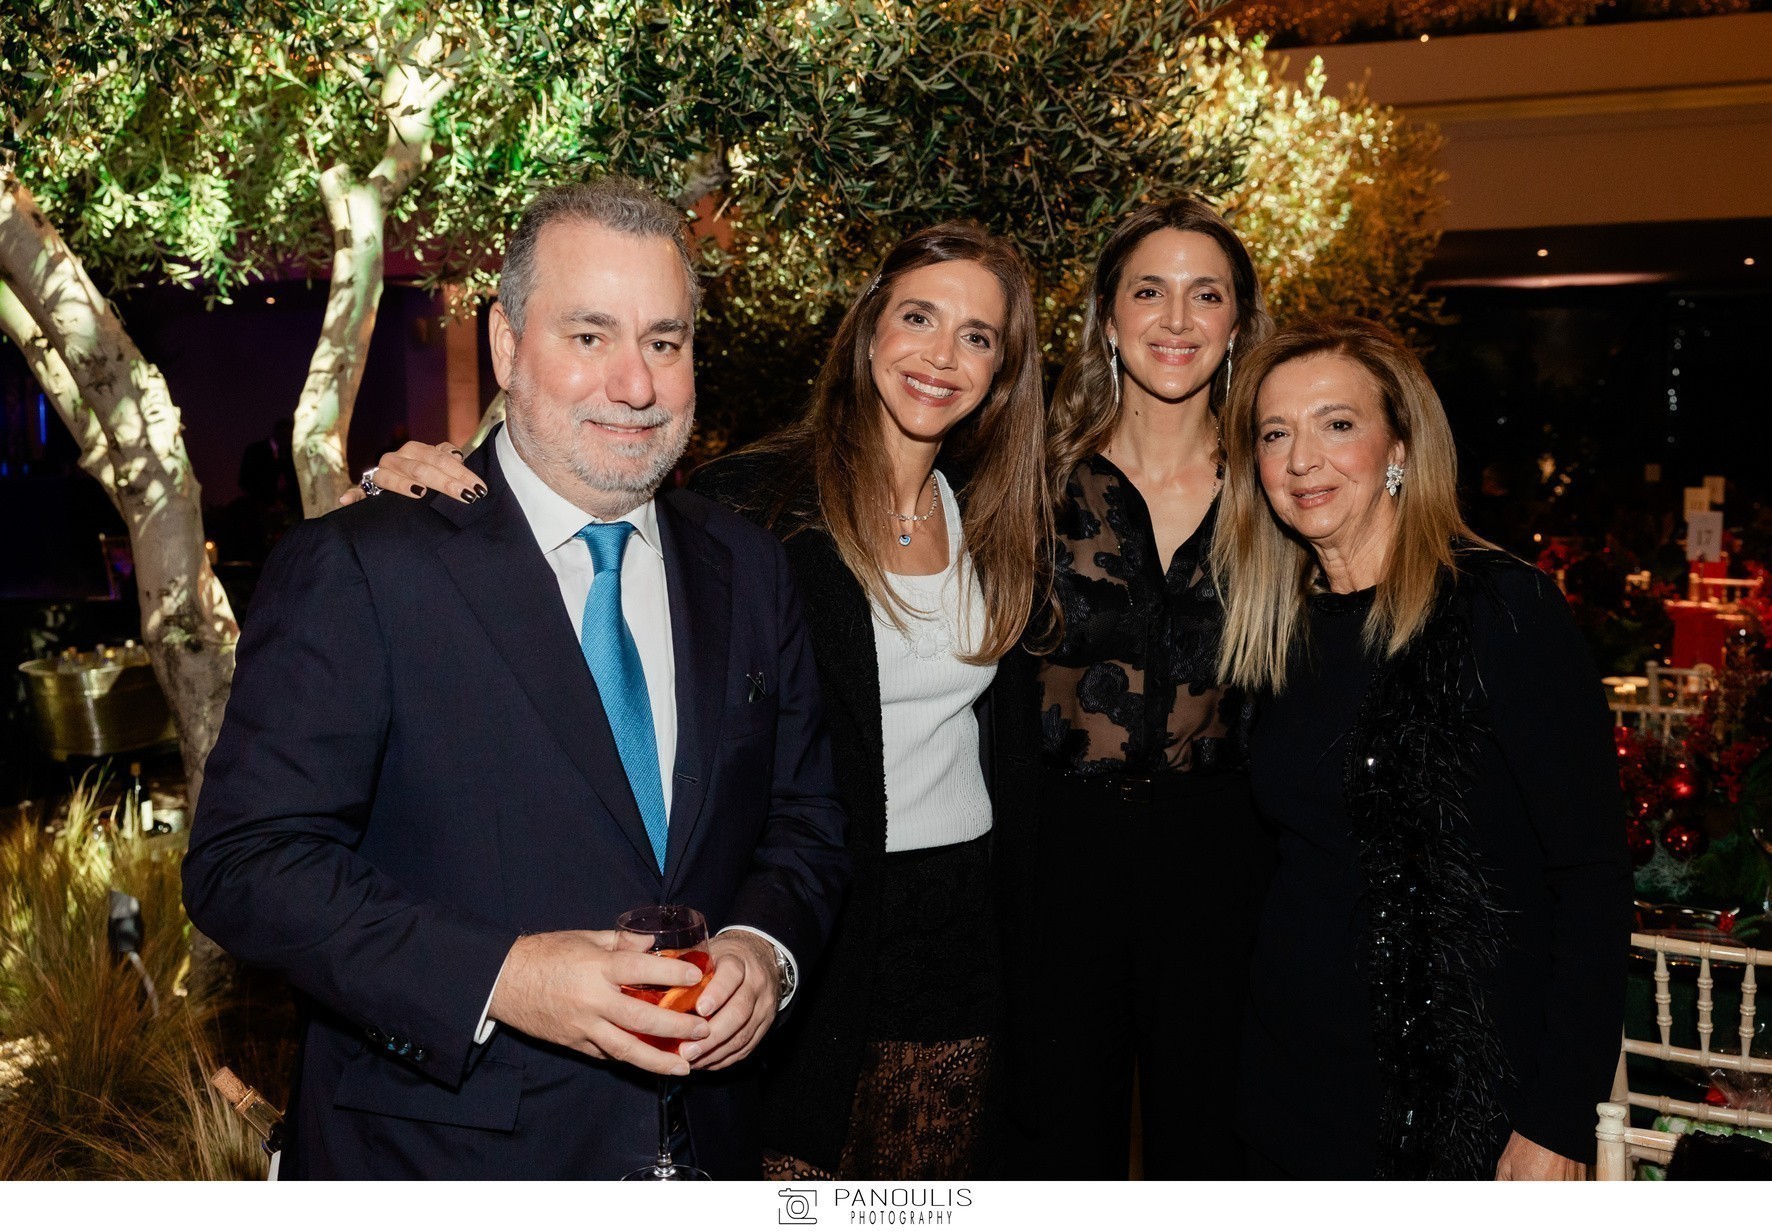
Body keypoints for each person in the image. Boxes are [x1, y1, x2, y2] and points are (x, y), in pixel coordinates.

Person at [350, 222, 1051, 1181]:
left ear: (1003, 367)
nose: (942, 355)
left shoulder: (1001, 507)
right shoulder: (757, 499)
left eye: (977, 336)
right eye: (919, 318)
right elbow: (577, 491)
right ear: (868, 328)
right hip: (823, 928)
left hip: (958, 924)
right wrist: (414, 473)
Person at [183, 178, 849, 1180]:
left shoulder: (748, 567)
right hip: (443, 1161)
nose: (635, 384)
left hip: (706, 1150)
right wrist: (505, 977)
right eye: (589, 335)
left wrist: (765, 947)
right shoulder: (365, 567)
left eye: (664, 342)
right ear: (505, 343)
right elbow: (246, 864)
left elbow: (807, 817)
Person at [1212, 315, 1631, 1180]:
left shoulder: (1501, 611)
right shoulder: (1274, 630)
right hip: (1287, 1098)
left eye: (1336, 424)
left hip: (1462, 1111)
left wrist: (1558, 1119)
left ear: (1399, 447)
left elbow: (1591, 875)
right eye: (1275, 434)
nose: (1302, 460)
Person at [992, 196, 1274, 1180]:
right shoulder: (1028, 477)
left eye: (1207, 295)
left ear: (1237, 322)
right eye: (1149, 291)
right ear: (1107, 317)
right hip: (1058, 861)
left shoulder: (1277, 487)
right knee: (1056, 1150)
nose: (1177, 319)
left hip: (1227, 863)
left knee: (1213, 1152)